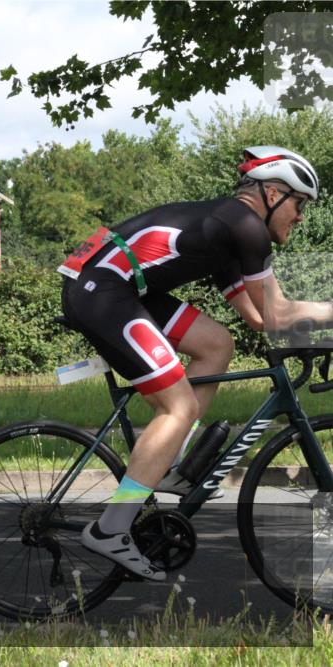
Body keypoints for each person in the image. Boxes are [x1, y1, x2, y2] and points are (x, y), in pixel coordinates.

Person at [58, 146, 332, 580]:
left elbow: (262, 321)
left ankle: (169, 464)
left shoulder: (229, 234)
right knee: (178, 406)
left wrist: (314, 329)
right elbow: (279, 314)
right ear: (274, 193)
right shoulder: (245, 226)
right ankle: (111, 529)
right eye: (299, 205)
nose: (300, 217)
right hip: (103, 291)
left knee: (216, 343)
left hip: (119, 287)